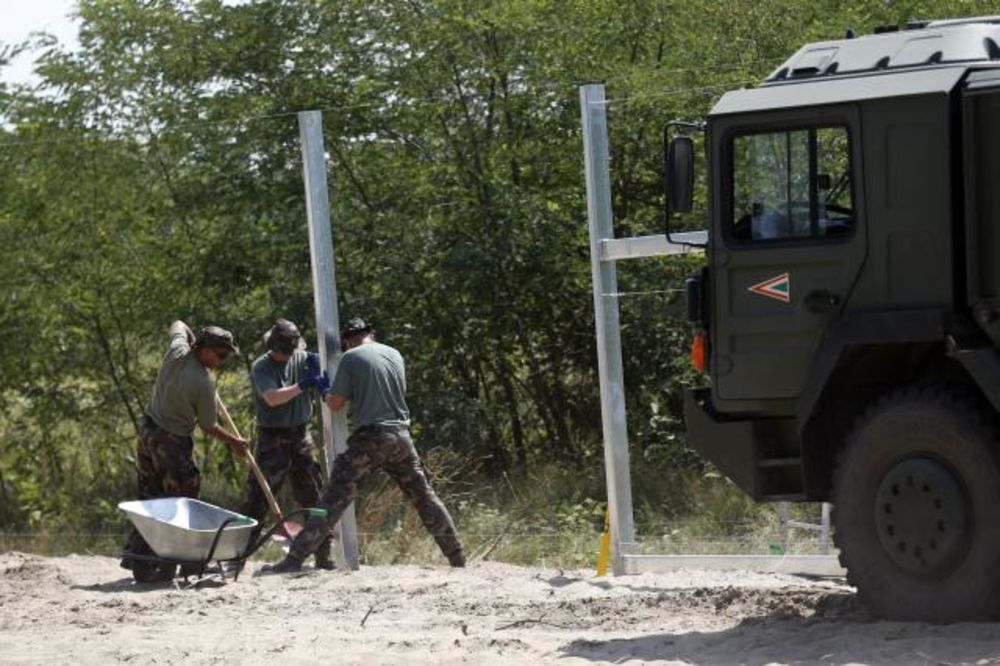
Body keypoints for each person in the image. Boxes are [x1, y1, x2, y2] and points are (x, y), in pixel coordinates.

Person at [261, 317, 466, 573]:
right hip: (402, 436)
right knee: (425, 498)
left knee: (332, 500)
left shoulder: (350, 357)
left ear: (347, 341)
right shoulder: (395, 354)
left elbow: (337, 404)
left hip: (371, 438)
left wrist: (323, 390)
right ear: (372, 334)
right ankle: (457, 558)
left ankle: (293, 561)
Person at [121, 320, 249, 583]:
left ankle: (138, 558)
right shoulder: (202, 383)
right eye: (220, 355)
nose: (221, 362)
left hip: (147, 434)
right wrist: (235, 441)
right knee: (184, 501)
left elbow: (177, 323)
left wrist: (189, 338)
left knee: (151, 499)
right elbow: (208, 426)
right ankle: (187, 563)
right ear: (205, 349)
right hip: (171, 443)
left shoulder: (177, 350)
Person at [234, 318, 334, 570]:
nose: (283, 356)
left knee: (313, 495)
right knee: (257, 498)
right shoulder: (261, 367)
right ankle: (237, 558)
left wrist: (322, 368)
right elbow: (272, 399)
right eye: (279, 352)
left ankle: (324, 554)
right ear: (272, 347)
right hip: (272, 438)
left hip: (300, 436)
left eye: (288, 352)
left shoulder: (301, 358)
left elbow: (326, 364)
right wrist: (304, 384)